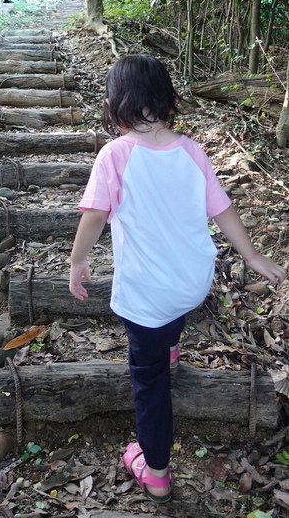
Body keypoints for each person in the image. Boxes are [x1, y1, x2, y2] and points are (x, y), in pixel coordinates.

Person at [69, 54, 287, 503]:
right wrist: (253, 257)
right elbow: (222, 209)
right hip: (192, 283)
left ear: (117, 101)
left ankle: (156, 471)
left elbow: (94, 215)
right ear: (164, 98)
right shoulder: (190, 150)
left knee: (149, 386)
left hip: (148, 295)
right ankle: (170, 349)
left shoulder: (116, 154)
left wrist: (77, 262)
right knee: (170, 311)